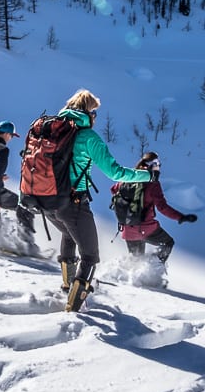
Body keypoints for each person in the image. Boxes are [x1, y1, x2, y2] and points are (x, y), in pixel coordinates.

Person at [44, 89, 152, 312]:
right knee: (91, 256)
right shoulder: (87, 137)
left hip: (45, 201)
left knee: (68, 233)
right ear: (89, 112)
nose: (95, 117)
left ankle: (67, 286)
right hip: (72, 202)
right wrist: (146, 176)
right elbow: (115, 173)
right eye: (95, 113)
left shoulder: (51, 130)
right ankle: (73, 307)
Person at [113, 151, 197, 264]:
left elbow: (113, 190)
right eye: (158, 165)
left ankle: (132, 275)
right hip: (146, 228)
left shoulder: (128, 178)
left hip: (128, 229)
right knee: (168, 243)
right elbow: (162, 207)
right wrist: (180, 217)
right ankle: (151, 267)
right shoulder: (153, 184)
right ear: (151, 166)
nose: (159, 167)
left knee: (136, 261)